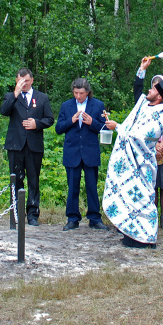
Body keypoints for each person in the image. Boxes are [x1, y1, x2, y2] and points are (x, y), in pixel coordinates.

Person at [102, 55, 163, 248]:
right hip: (130, 163)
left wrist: (117, 127)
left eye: (153, 89)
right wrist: (142, 69)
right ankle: (131, 234)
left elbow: (142, 137)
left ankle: (146, 238)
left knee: (144, 199)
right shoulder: (145, 105)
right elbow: (138, 91)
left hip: (143, 166)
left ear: (159, 96)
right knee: (129, 198)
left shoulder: (161, 117)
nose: (149, 89)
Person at [0, 68, 54, 226]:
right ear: (17, 81)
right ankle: (16, 213)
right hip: (16, 145)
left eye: (27, 81)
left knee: (33, 180)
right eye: (21, 81)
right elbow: (4, 111)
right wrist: (15, 94)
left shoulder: (42, 98)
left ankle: (33, 213)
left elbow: (50, 119)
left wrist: (37, 124)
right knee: (16, 180)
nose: (24, 84)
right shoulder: (11, 97)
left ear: (32, 81)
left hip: (34, 145)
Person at [55, 77, 108, 231]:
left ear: (88, 93)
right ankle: (72, 218)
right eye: (76, 92)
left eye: (81, 93)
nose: (78, 96)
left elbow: (105, 129)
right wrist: (70, 121)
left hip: (90, 152)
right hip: (72, 152)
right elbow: (59, 129)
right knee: (72, 187)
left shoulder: (98, 105)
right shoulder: (66, 106)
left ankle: (94, 218)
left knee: (92, 186)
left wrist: (93, 123)